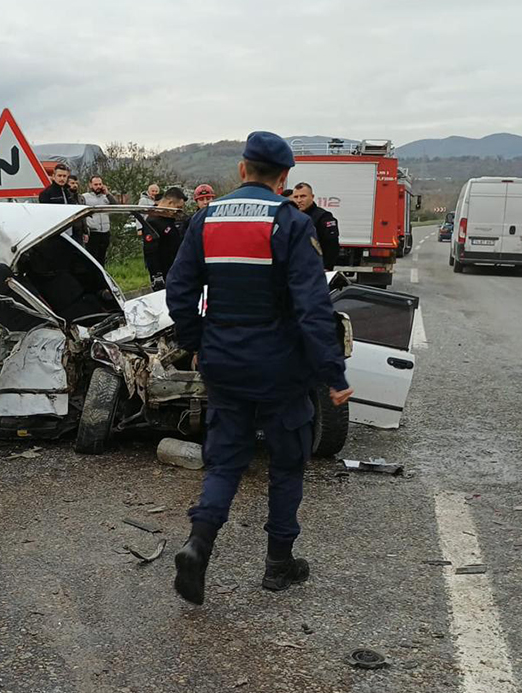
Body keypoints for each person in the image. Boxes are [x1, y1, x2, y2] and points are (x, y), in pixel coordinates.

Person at [165, 131, 353, 606]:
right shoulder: (290, 223)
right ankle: (278, 564)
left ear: (242, 169)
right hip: (281, 369)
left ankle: (199, 545)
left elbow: (179, 291)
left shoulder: (205, 219)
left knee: (225, 459)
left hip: (223, 361)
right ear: (284, 178)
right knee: (287, 464)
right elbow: (313, 308)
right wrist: (333, 373)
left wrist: (197, 342)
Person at [143, 186, 188, 290]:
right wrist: (157, 276)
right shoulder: (153, 221)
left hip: (178, 268)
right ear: (170, 203)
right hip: (164, 271)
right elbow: (150, 252)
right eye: (178, 207)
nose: (179, 211)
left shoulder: (172, 219)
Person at [292, 182, 341, 270]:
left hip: (314, 268)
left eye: (303, 196)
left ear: (312, 197)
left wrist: (326, 267)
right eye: (296, 197)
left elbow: (332, 246)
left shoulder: (323, 217)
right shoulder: (291, 216)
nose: (299, 200)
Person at [81, 175, 116, 264]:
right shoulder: (85, 197)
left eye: (100, 184)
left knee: (102, 257)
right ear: (90, 185)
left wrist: (108, 194)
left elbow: (115, 206)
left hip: (105, 231)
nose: (98, 187)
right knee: (92, 258)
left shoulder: (106, 197)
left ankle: (101, 276)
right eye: (95, 184)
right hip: (93, 232)